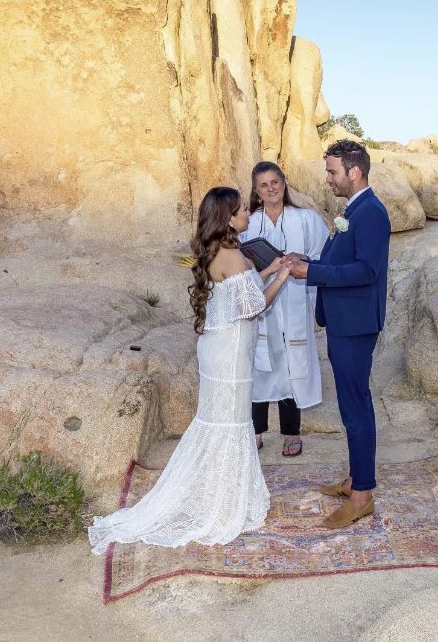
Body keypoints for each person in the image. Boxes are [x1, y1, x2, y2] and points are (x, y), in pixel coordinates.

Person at [87, 187, 293, 552]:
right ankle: (223, 503)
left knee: (219, 420)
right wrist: (282, 277)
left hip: (218, 346)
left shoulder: (219, 251)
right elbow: (254, 306)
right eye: (243, 209)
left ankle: (220, 492)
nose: (248, 213)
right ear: (230, 218)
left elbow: (236, 295)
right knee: (230, 421)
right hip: (230, 352)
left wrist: (269, 269)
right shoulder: (232, 254)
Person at [287, 140, 391, 529]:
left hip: (356, 324)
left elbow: (367, 271)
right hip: (345, 321)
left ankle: (363, 495)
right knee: (351, 406)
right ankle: (355, 479)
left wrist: (311, 274)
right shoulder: (355, 210)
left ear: (355, 172)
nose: (327, 179)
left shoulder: (372, 214)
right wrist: (308, 262)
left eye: (332, 172)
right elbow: (342, 261)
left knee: (356, 406)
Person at [240, 161, 329, 457]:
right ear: (256, 190)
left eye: (275, 182)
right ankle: (257, 431)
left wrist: (301, 256)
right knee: (261, 365)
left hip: (293, 302)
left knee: (291, 365)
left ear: (284, 182)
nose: (271, 189)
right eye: (263, 185)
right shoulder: (249, 222)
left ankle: (291, 432)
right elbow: (240, 264)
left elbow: (324, 256)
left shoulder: (306, 219)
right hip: (263, 300)